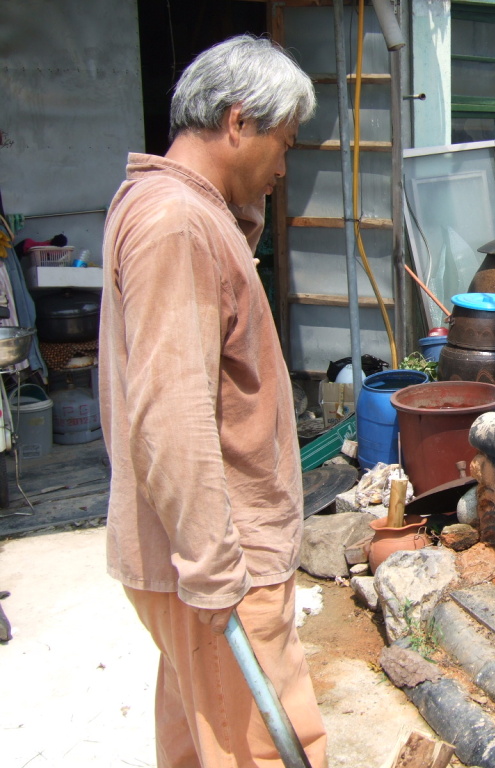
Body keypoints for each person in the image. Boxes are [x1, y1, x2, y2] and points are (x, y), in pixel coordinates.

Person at [99, 34, 327, 768]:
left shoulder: (183, 211)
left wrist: (241, 219)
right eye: (282, 143)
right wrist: (214, 568)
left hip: (206, 555)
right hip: (224, 558)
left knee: (202, 742)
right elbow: (172, 413)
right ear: (238, 123)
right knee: (266, 749)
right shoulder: (178, 225)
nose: (283, 167)